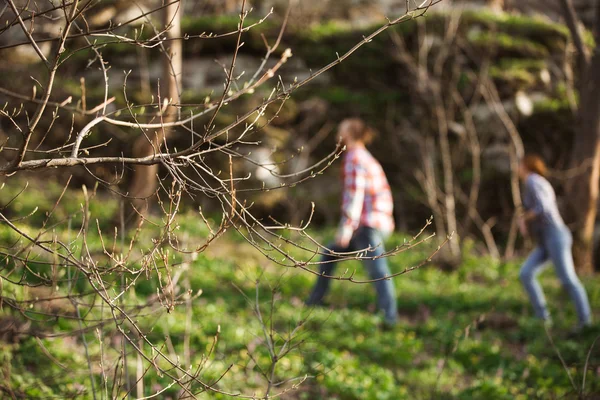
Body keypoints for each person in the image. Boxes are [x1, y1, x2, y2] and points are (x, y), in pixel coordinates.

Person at [306, 118, 397, 327]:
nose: (338, 136)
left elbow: (354, 196)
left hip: (368, 225)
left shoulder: (354, 158)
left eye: (341, 131)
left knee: (378, 272)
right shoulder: (365, 157)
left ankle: (390, 318)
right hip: (376, 223)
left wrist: (346, 229)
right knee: (329, 254)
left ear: (350, 134)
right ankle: (314, 302)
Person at [518, 154, 592, 332]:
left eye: (519, 165)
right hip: (545, 240)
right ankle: (543, 319)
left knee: (567, 279)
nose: (516, 168)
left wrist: (523, 219)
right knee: (526, 273)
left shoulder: (533, 181)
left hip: (555, 235)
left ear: (526, 166)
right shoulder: (536, 182)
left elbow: (542, 207)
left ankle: (585, 322)